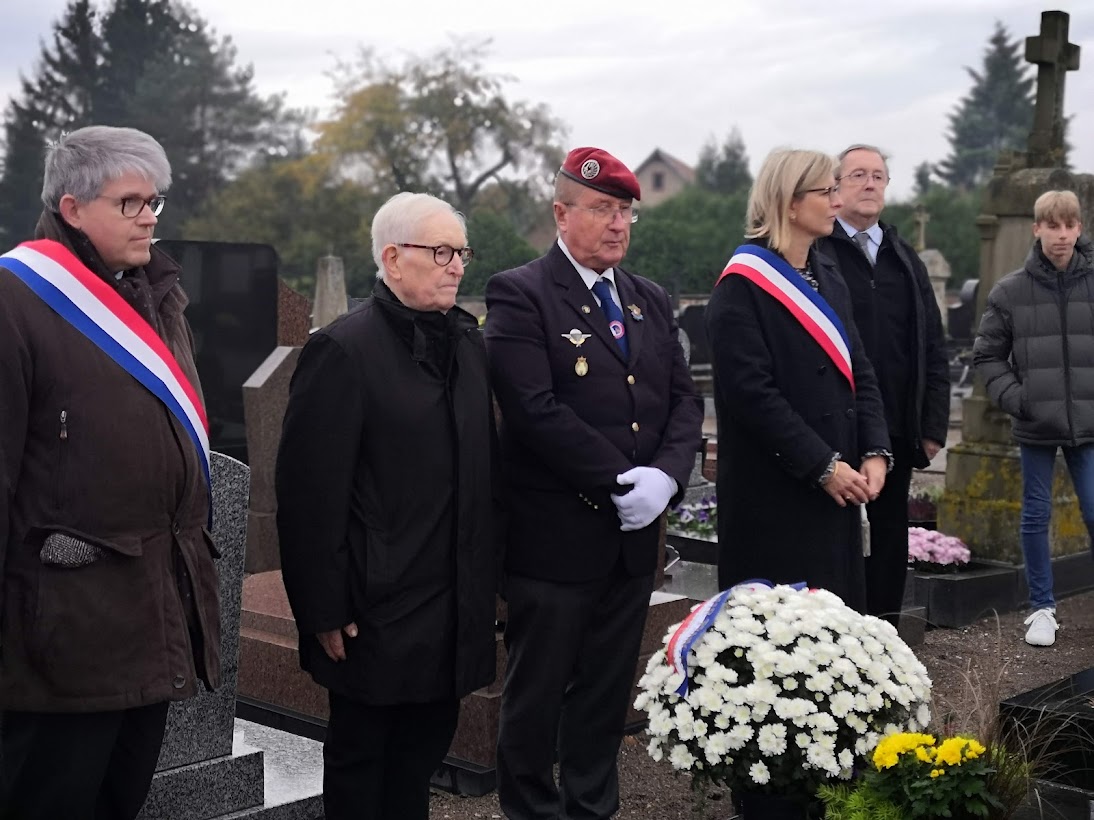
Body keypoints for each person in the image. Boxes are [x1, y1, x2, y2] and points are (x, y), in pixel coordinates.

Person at [0, 126, 220, 819]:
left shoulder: (156, 295)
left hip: (150, 618)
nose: (150, 215)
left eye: (154, 199)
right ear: (72, 207)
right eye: (130, 202)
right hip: (61, 635)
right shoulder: (16, 300)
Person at [485, 147, 703, 820]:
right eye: (602, 210)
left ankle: (590, 809)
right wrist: (620, 480)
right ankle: (529, 810)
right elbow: (533, 408)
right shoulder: (521, 292)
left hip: (631, 541)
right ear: (561, 212)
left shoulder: (647, 298)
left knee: (607, 694)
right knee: (538, 693)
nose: (617, 225)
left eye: (625, 211)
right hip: (555, 540)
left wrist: (665, 480)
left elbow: (681, 402)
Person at [275, 192, 499, 820]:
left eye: (461, 252)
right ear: (394, 259)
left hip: (450, 600)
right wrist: (323, 607)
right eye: (442, 252)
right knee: (362, 768)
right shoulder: (344, 351)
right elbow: (309, 494)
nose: (457, 265)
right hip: (375, 610)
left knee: (418, 765)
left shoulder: (465, 344)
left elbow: (482, 473)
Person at [706, 148, 892, 613]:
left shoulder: (827, 272)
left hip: (839, 487)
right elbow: (753, 396)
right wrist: (821, 466)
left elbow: (859, 368)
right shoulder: (742, 286)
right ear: (789, 202)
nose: (836, 201)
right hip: (776, 495)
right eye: (826, 191)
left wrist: (874, 449)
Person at [814, 144, 950, 625]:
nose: (869, 183)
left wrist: (932, 426)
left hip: (895, 426)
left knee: (889, 537)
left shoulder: (903, 258)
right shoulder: (818, 250)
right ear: (835, 187)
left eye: (878, 176)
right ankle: (834, 640)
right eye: (857, 175)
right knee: (834, 539)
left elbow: (933, 342)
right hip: (833, 426)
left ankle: (886, 643)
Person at [973, 190, 1094, 648]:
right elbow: (987, 355)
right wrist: (1019, 399)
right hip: (1036, 424)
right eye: (1052, 226)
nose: (1061, 235)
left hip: (1089, 424)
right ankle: (1042, 608)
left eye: (1069, 225)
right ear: (1037, 229)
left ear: (1079, 228)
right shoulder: (1010, 291)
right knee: (1036, 513)